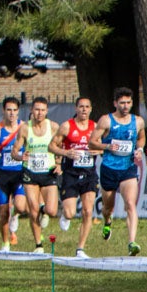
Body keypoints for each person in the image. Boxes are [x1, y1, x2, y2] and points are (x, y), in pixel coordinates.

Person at [90, 88, 147, 256]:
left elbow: (142, 137)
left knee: (130, 204)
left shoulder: (137, 121)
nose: (125, 106)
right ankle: (107, 222)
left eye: (128, 103)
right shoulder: (106, 121)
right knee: (108, 207)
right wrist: (107, 146)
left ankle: (132, 242)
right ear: (115, 103)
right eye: (122, 103)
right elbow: (92, 143)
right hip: (109, 168)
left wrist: (140, 149)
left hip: (128, 168)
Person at [11, 97, 61, 253]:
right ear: (32, 111)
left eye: (43, 110)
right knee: (32, 210)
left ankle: (44, 211)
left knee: (52, 210)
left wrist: (59, 164)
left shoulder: (53, 127)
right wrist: (20, 156)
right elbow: (14, 151)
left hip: (48, 172)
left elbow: (60, 147)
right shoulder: (25, 128)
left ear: (47, 111)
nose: (40, 113)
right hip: (30, 172)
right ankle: (38, 244)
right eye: (37, 109)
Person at [53, 97, 101, 257]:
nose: (84, 110)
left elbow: (103, 146)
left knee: (88, 211)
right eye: (81, 107)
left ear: (91, 109)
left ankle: (80, 248)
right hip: (71, 174)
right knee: (70, 213)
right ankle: (65, 215)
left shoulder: (95, 127)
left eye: (87, 107)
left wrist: (99, 151)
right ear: (76, 108)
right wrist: (65, 153)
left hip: (89, 173)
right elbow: (51, 146)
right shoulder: (67, 126)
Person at [0, 98, 28, 250]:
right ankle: (5, 242)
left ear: (18, 111)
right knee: (3, 213)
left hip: (19, 173)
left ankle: (15, 216)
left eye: (15, 110)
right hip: (2, 175)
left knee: (20, 207)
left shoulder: (24, 127)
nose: (12, 113)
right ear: (3, 111)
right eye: (9, 110)